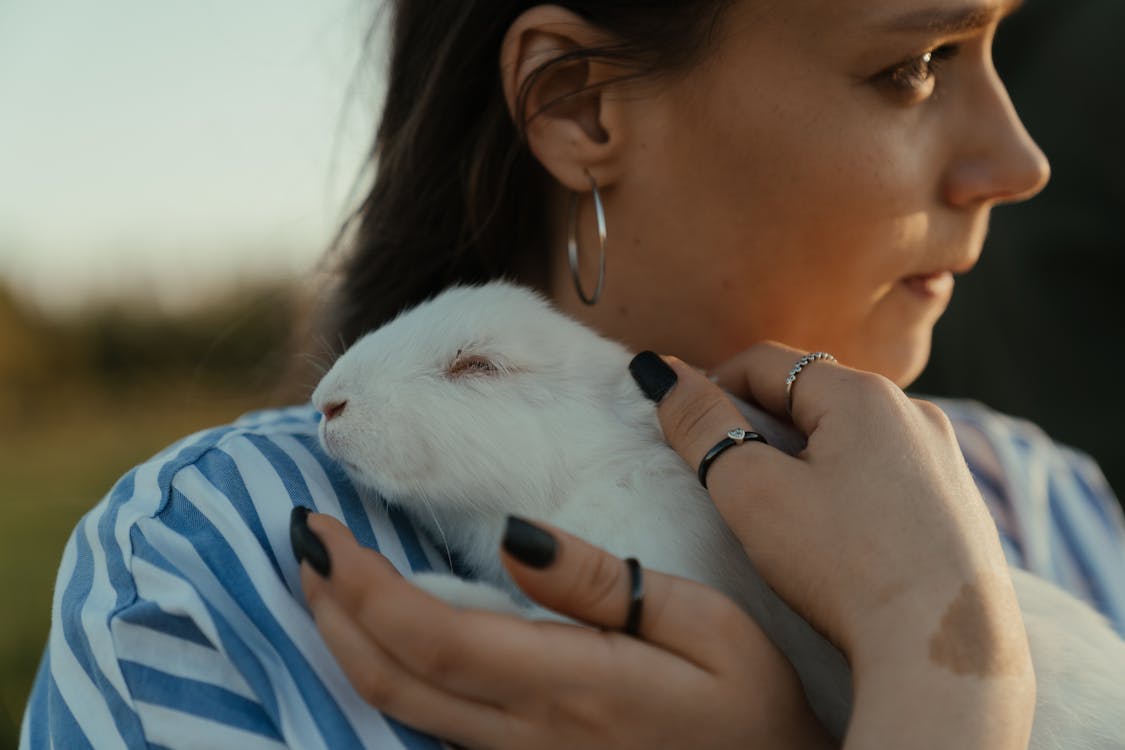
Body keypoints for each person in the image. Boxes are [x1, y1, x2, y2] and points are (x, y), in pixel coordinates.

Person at [21, 1, 1125, 748]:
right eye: (917, 63)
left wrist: (943, 677)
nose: (1019, 161)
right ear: (579, 105)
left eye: (996, 50)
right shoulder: (205, 571)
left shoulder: (1052, 502)